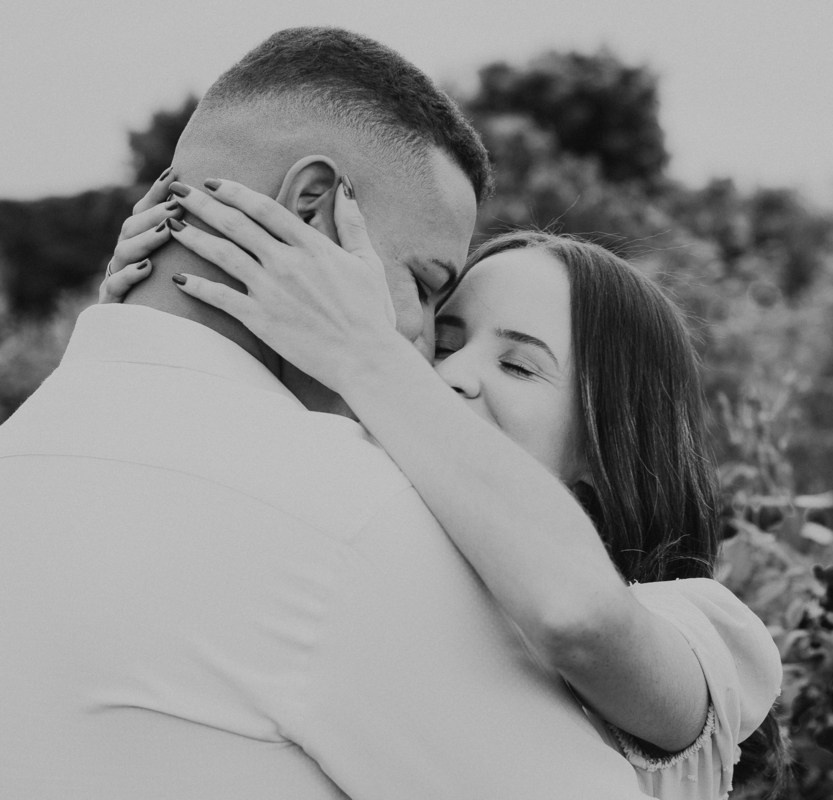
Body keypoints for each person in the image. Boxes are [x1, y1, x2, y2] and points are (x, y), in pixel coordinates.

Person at [0, 27, 653, 799]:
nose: (417, 344)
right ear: (312, 205)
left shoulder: (25, 455)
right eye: (424, 282)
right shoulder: (354, 525)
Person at [99, 176, 788, 799]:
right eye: (445, 341)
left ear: (607, 447)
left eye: (518, 366)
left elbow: (579, 617)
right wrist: (146, 325)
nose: (452, 375)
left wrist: (367, 357)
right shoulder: (363, 567)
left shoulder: (704, 629)